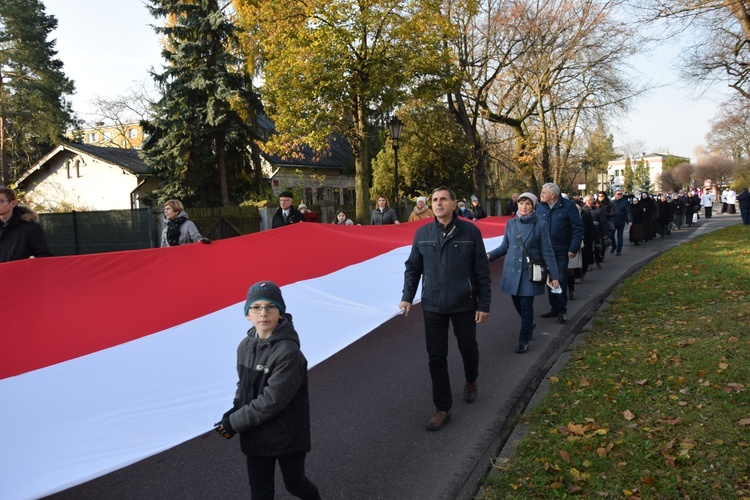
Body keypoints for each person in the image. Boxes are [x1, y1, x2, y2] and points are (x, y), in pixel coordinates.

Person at [215, 281, 321, 500]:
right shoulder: (244, 346)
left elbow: (272, 400)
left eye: (270, 306)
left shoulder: (289, 353)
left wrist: (234, 422)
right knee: (260, 491)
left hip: (286, 434)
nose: (263, 312)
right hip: (255, 432)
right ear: (247, 314)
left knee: (295, 484)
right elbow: (242, 384)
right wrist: (235, 408)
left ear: (280, 313)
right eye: (256, 307)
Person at [398, 186, 491, 431]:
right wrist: (407, 297)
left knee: (468, 348)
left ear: (453, 203)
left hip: (464, 304)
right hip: (433, 305)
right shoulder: (423, 233)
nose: (438, 203)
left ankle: (471, 379)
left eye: (443, 200)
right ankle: (443, 408)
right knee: (436, 357)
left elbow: (482, 271)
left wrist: (484, 304)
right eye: (434, 200)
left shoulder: (470, 231)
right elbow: (413, 267)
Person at [487, 193, 558, 354]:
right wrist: (489, 255)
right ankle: (529, 322)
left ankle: (523, 339)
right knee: (516, 303)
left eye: (527, 204)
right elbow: (504, 246)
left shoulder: (540, 225)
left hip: (530, 273)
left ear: (534, 206)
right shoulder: (511, 223)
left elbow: (548, 252)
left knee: (526, 306)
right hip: (511, 271)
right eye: (521, 203)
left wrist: (554, 276)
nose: (524, 207)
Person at [536, 183, 583, 324]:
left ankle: (562, 309)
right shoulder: (540, 207)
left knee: (560, 278)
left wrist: (573, 248)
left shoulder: (568, 206)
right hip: (544, 251)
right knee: (549, 279)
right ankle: (554, 307)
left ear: (553, 195)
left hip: (561, 250)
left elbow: (577, 228)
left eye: (544, 192)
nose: (541, 195)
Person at [0, 186, 53, 263]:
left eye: (0, 201)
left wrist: (35, 260)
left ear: (13, 203)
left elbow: (44, 256)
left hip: (21, 273)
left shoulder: (30, 228)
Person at [610, 189, 631, 256]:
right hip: (613, 222)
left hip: (621, 221)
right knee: (610, 236)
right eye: (618, 194)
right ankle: (614, 246)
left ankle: (619, 250)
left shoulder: (625, 202)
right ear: (615, 195)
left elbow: (628, 212)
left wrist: (630, 220)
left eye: (621, 194)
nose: (619, 195)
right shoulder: (612, 202)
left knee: (620, 236)